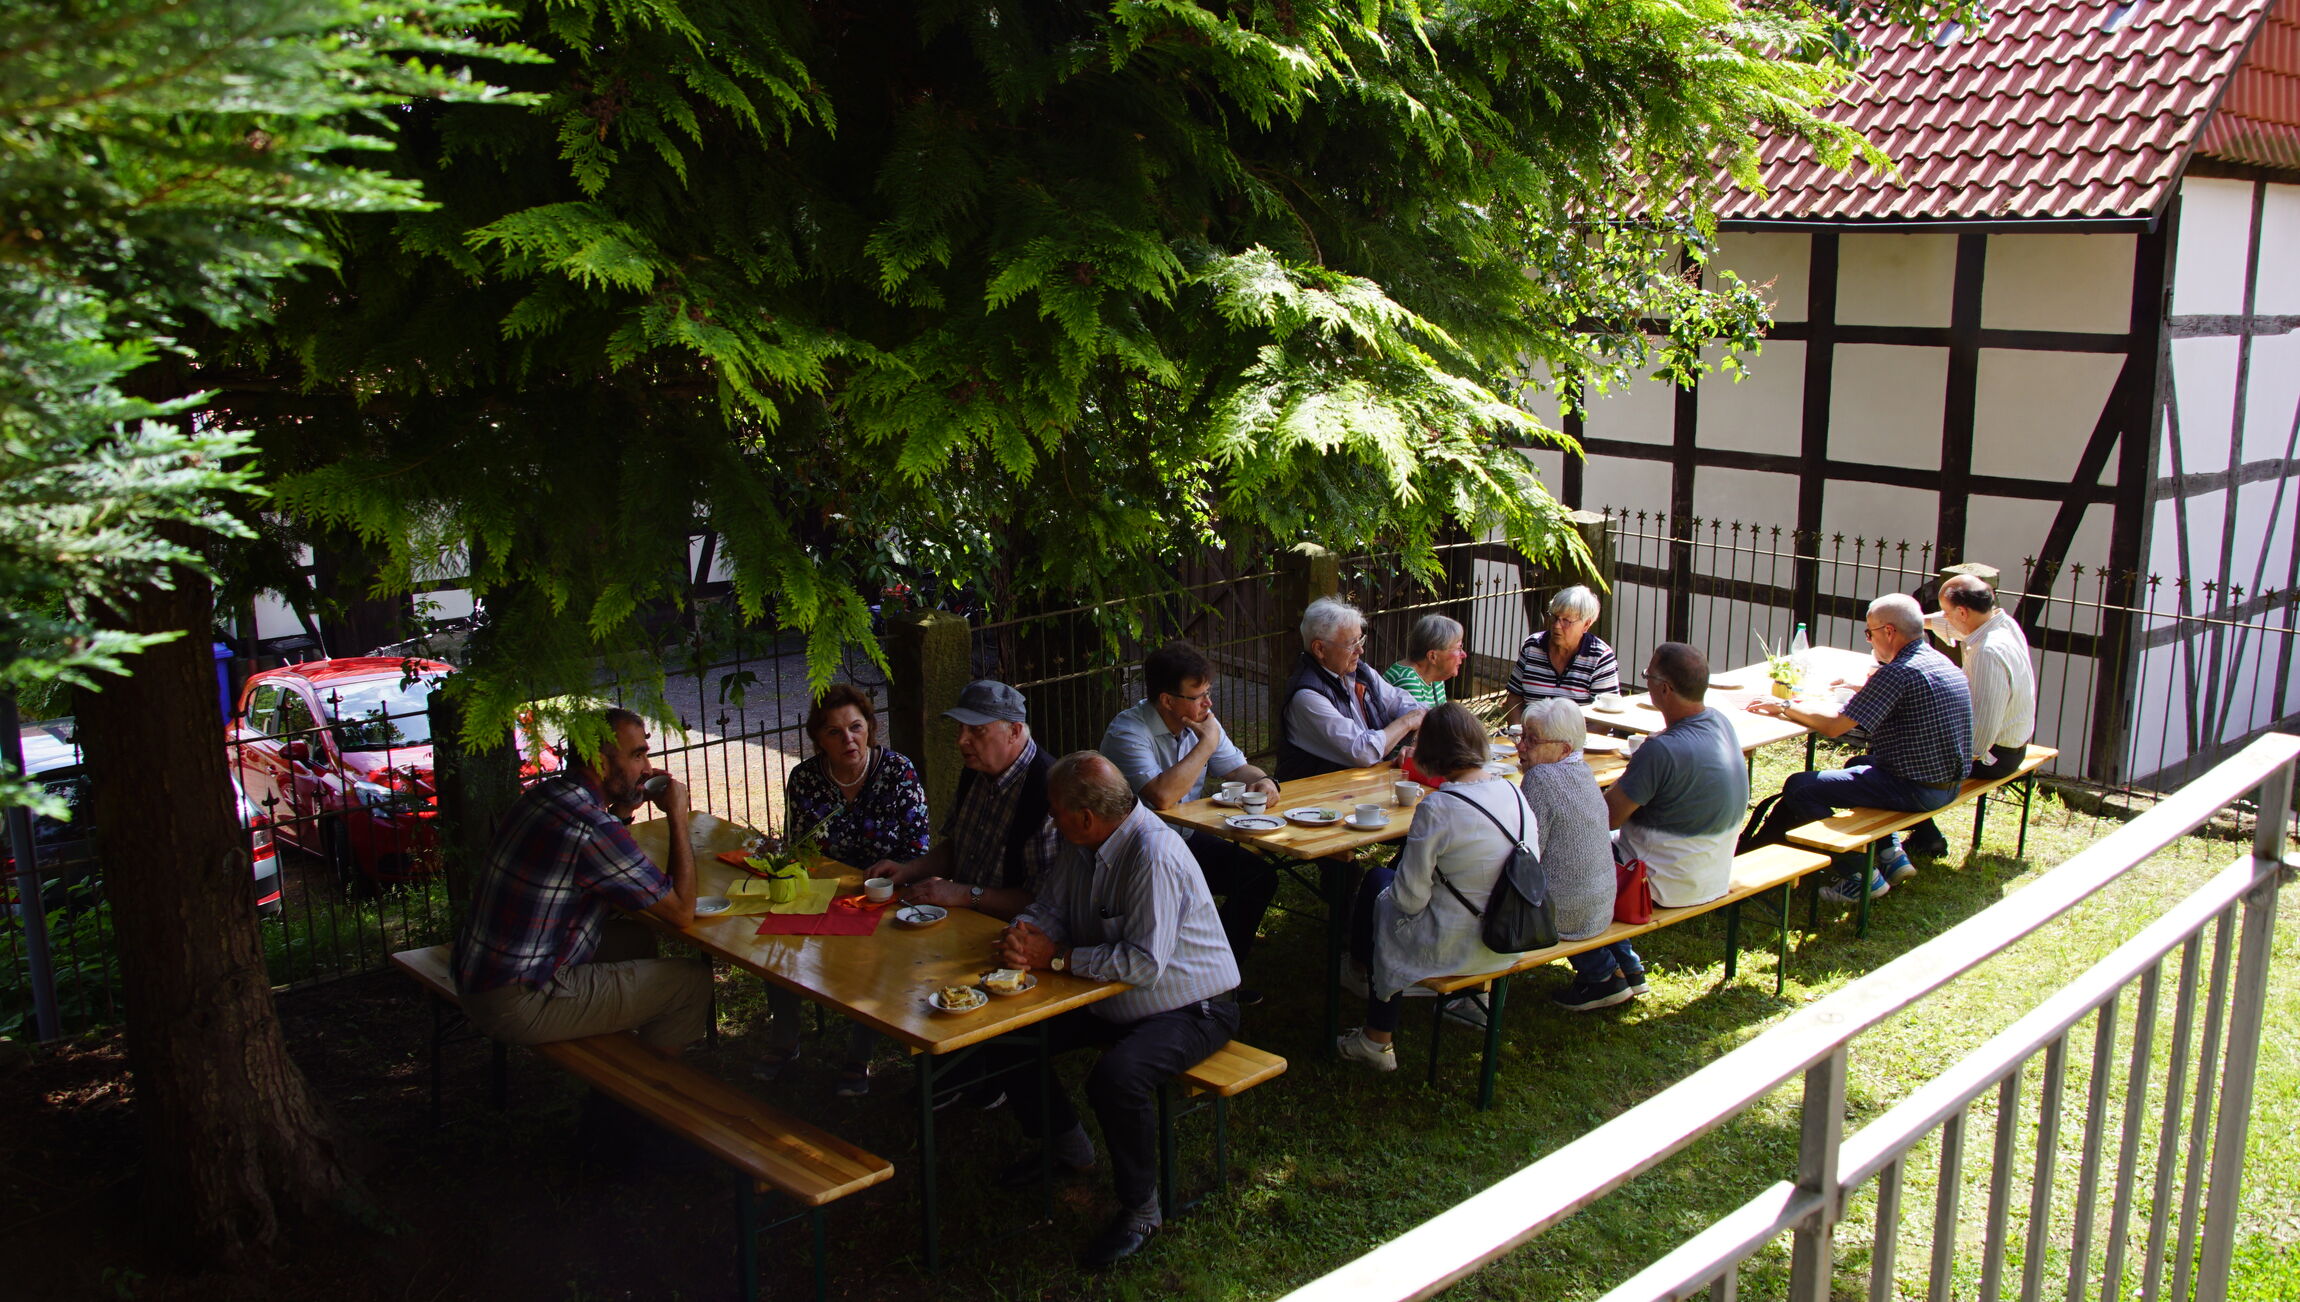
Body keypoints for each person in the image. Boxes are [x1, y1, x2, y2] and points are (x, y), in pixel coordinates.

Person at [989, 753, 1240, 1270]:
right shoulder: (1082, 841)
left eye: (1056, 811)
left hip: (1193, 1004)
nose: (1050, 818)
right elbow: (1051, 907)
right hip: (1110, 997)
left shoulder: (1152, 855)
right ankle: (1068, 1147)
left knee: (1117, 1078)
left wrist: (1054, 957)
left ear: (1085, 816)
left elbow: (1144, 964)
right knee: (1003, 1032)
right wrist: (1024, 933)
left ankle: (1142, 1210)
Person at [452, 707, 710, 1054]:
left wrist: (623, 810)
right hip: (518, 1001)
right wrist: (678, 815)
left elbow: (594, 859)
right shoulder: (590, 827)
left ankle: (625, 1057)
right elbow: (680, 911)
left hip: (480, 974)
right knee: (690, 983)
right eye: (637, 756)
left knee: (635, 940)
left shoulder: (547, 796)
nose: (648, 769)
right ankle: (649, 1094)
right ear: (599, 761)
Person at [759, 683, 933, 1095]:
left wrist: (900, 872)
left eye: (855, 727)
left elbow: (920, 848)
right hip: (825, 894)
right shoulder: (805, 779)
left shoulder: (897, 771)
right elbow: (802, 849)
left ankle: (860, 1054)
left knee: (870, 951)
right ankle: (785, 1038)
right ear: (818, 738)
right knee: (776, 932)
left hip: (886, 894)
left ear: (870, 729)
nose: (848, 739)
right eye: (834, 732)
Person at [1336, 704, 1528, 1071]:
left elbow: (1408, 900)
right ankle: (1470, 998)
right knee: (1386, 883)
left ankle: (1377, 1037)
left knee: (1382, 890)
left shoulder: (1440, 806)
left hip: (1457, 945)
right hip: (1510, 934)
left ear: (1431, 753)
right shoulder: (1515, 793)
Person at [1746, 595, 1972, 904]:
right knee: (1860, 761)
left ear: (1889, 631)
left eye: (1870, 632)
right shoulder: (1939, 661)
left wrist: (1784, 706)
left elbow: (1836, 726)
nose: (1870, 639)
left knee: (1799, 786)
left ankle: (1859, 875)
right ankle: (1891, 856)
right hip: (1949, 783)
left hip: (1917, 788)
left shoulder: (1898, 672)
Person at [1571, 643, 1750, 1009]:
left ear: (1664, 689)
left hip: (1663, 881)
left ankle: (1601, 974)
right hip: (1712, 870)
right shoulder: (1720, 722)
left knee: (1567, 858)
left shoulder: (1661, 750)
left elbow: (1606, 819)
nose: (1646, 683)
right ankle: (1628, 967)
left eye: (1648, 677)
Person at [1099, 642, 1280, 991]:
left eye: (1208, 694)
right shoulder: (1127, 733)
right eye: (1199, 696)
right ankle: (1200, 980)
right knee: (1194, 892)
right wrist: (1206, 746)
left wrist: (1264, 781)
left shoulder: (1201, 723)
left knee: (1259, 878)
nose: (1208, 704)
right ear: (1168, 701)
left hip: (1181, 839)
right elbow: (1163, 796)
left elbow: (1239, 768)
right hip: (1133, 854)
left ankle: (1221, 972)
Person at [875, 679, 1053, 919]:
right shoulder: (976, 768)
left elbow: (1044, 902)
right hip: (963, 920)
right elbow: (958, 845)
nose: (961, 740)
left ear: (1015, 731)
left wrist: (964, 894)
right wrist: (908, 871)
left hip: (1014, 935)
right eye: (960, 728)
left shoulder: (1048, 791)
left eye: (977, 730)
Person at [1897, 574, 2037, 861]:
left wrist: (1932, 747)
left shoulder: (1987, 652)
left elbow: (1979, 740)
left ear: (1963, 612)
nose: (1944, 617)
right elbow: (1948, 624)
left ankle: (1923, 839)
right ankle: (1924, 835)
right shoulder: (2001, 623)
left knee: (1895, 757)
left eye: (1948, 611)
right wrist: (1911, 622)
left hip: (1993, 757)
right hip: (2013, 745)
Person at [1513, 697, 1632, 1010]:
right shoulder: (1582, 770)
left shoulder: (1540, 778)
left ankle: (1602, 976)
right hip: (1602, 902)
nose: (1521, 747)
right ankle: (1624, 965)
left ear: (1564, 749)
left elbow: (1526, 853)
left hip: (1568, 912)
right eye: (1522, 736)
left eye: (1532, 740)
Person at [1275, 596, 1428, 781]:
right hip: (1316, 801)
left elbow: (1406, 704)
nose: (1360, 651)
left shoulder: (1360, 671)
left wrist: (1415, 743)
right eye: (1351, 644)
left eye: (1360, 641)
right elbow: (1364, 752)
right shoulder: (1306, 697)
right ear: (1319, 649)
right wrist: (1406, 723)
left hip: (1361, 788)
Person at [1506, 585, 1620, 708]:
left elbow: (1606, 715)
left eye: (1566, 620)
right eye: (1554, 617)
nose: (1556, 626)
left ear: (1586, 624)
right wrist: (1516, 727)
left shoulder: (1600, 657)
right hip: (1530, 727)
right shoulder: (1533, 646)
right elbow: (1514, 697)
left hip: (1579, 728)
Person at [1382, 613, 1467, 709]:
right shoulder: (1408, 680)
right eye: (1458, 648)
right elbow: (1422, 723)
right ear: (1432, 656)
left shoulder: (1435, 677)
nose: (1464, 654)